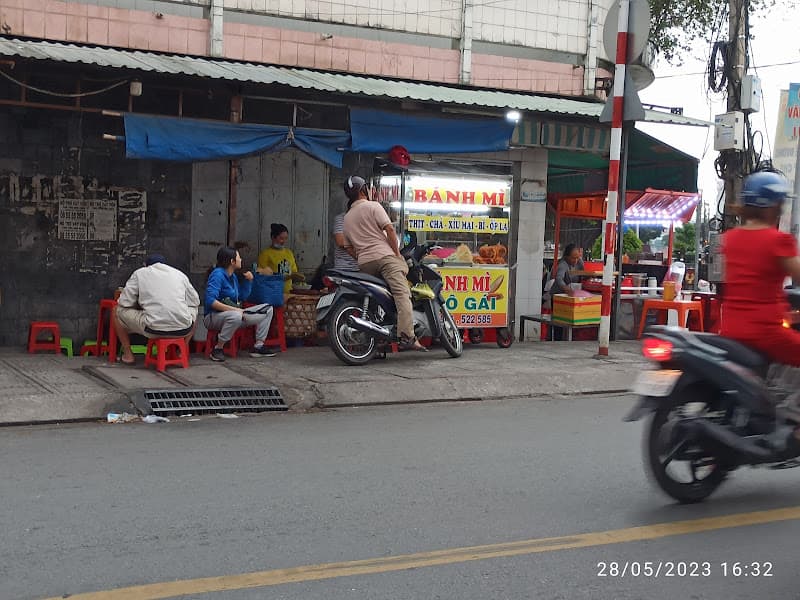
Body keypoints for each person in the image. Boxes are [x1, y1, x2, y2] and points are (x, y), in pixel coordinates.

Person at [721, 171, 800, 365]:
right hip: (767, 333)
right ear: (774, 206)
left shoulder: (730, 238)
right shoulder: (779, 240)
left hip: (730, 328)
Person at [342, 175, 426, 352]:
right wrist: (396, 255)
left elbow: (347, 247)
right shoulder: (373, 206)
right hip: (384, 258)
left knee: (377, 298)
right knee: (402, 293)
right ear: (363, 190)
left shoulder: (347, 218)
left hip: (365, 263)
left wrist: (360, 257)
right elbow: (389, 229)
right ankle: (407, 336)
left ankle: (380, 335)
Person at [113, 254, 200, 365]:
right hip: (183, 329)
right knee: (194, 308)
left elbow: (125, 302)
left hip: (152, 329)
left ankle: (128, 354)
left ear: (147, 266)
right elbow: (195, 301)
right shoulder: (179, 274)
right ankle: (182, 350)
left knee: (116, 310)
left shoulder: (140, 273)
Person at [204, 246, 276, 361]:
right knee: (236, 316)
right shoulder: (217, 275)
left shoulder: (233, 277)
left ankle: (258, 346)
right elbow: (210, 301)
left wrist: (249, 281)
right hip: (214, 317)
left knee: (268, 309)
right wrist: (234, 310)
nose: (241, 259)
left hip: (236, 315)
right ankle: (218, 348)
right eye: (239, 257)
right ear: (232, 261)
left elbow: (242, 297)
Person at [257, 223, 305, 295]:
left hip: (288, 292)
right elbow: (261, 276)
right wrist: (284, 277)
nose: (284, 241)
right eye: (281, 238)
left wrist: (298, 277)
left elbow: (294, 271)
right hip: (272, 293)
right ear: (273, 237)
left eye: (286, 238)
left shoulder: (289, 253)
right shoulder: (265, 254)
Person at [333, 206, 359, 271]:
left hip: (362, 267)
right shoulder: (341, 218)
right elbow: (340, 242)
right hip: (345, 267)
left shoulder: (364, 219)